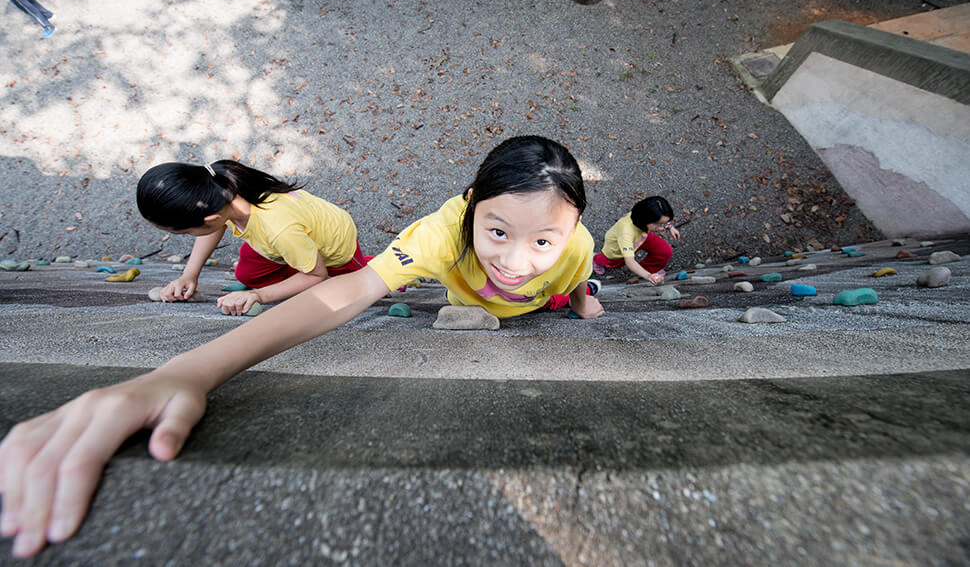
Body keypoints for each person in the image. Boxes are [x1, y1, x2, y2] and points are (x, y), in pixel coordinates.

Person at [0, 135, 604, 558]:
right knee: (486, 299)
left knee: (555, 295)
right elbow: (351, 290)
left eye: (544, 240)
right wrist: (188, 370)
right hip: (474, 298)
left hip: (540, 304)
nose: (515, 259)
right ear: (471, 207)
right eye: (497, 231)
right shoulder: (441, 232)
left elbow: (569, 273)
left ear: (572, 231)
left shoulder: (575, 247)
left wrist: (581, 300)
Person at [137, 160, 369, 315]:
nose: (189, 235)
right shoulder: (218, 188)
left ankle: (370, 265)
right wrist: (189, 275)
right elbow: (217, 225)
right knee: (246, 275)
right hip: (281, 245)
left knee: (353, 289)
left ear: (209, 218)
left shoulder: (278, 227)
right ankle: (295, 269)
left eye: (187, 231)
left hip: (334, 252)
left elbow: (317, 274)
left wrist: (257, 295)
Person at [592, 196, 680, 285]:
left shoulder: (641, 214)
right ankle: (595, 259)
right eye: (659, 224)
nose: (662, 228)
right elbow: (630, 261)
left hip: (641, 237)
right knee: (613, 262)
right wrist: (648, 276)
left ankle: (647, 269)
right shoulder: (626, 233)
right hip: (618, 248)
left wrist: (670, 227)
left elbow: (662, 220)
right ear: (646, 220)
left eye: (664, 224)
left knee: (664, 251)